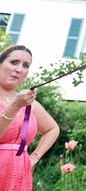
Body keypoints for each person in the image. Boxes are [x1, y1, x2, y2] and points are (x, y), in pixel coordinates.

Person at [0, 45, 60, 191]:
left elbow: (52, 129)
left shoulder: (30, 104)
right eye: (14, 62)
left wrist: (35, 157)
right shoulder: (20, 102)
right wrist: (15, 106)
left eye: (26, 65)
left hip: (19, 174)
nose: (19, 69)